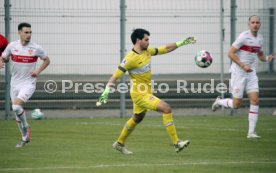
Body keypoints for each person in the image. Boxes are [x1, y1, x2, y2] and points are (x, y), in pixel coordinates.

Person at [96, 28, 196, 154]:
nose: (148, 42)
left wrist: (181, 43)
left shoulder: (147, 51)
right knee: (166, 108)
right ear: (138, 41)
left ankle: (119, 143)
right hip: (139, 94)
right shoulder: (130, 58)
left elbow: (164, 49)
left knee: (137, 118)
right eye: (146, 39)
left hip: (145, 92)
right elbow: (115, 76)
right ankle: (176, 143)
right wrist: (106, 92)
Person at [212, 15, 274, 139]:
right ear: (249, 24)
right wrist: (242, 65)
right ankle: (219, 102)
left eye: (257, 22)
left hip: (251, 72)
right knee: (236, 105)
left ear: (260, 24)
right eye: (253, 22)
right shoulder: (243, 37)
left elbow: (260, 55)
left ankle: (251, 132)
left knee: (255, 100)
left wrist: (267, 58)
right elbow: (230, 53)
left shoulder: (260, 39)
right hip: (238, 73)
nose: (255, 24)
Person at [0, 22, 50, 148]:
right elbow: (4, 57)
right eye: (26, 32)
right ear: (20, 33)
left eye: (30, 32)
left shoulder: (36, 48)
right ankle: (24, 137)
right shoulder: (12, 46)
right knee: (17, 112)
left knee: (16, 107)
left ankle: (26, 126)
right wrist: (1, 61)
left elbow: (47, 60)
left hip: (28, 83)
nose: (29, 35)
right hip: (14, 83)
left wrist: (38, 71)